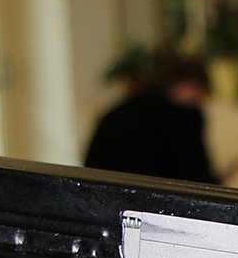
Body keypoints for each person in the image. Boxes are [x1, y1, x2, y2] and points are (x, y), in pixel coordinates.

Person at [84, 52, 218, 185]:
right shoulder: (182, 117)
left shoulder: (124, 110)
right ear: (191, 86)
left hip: (101, 190)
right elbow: (196, 174)